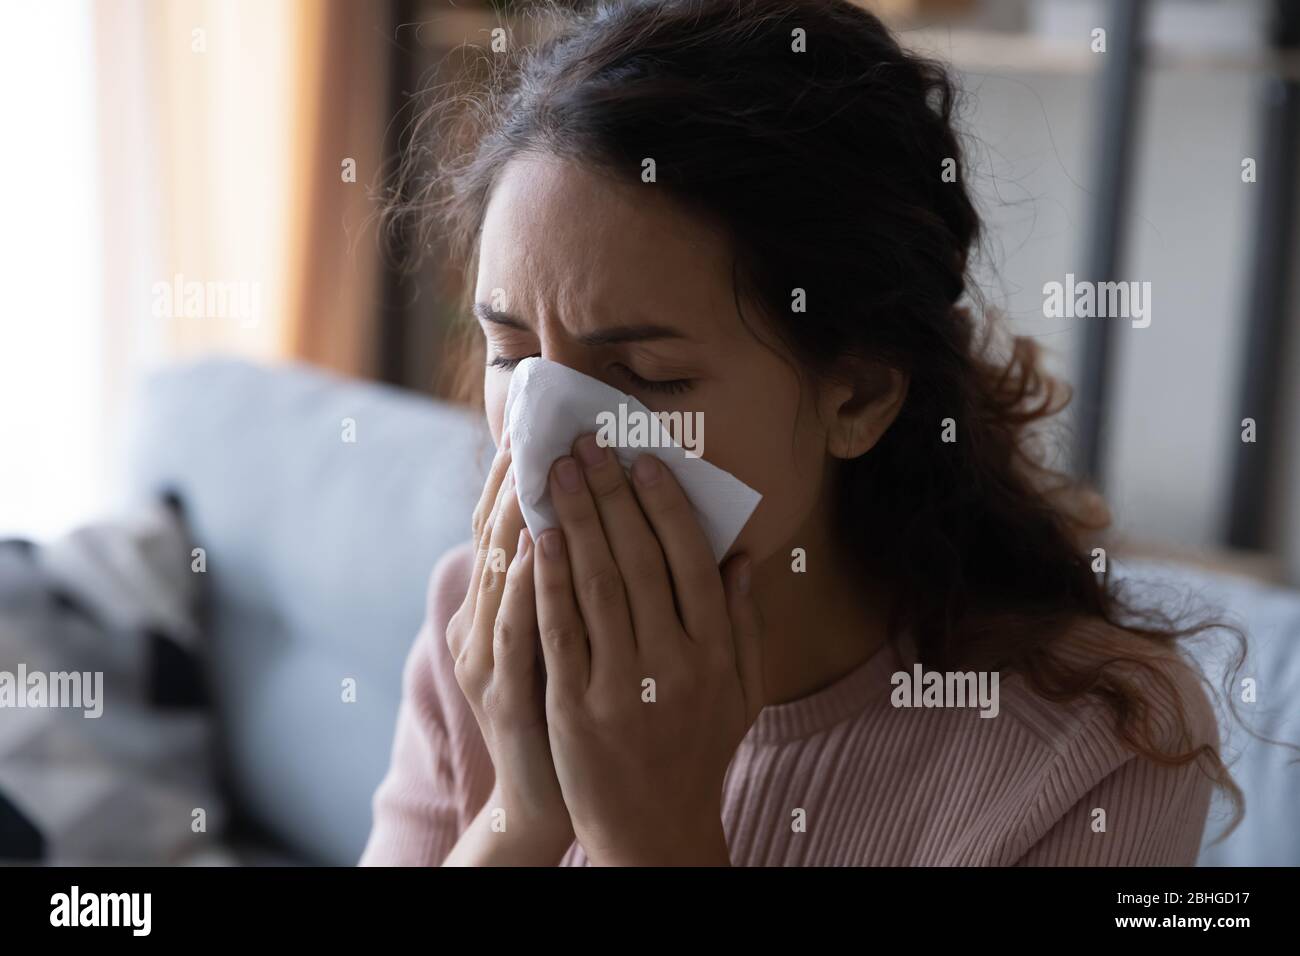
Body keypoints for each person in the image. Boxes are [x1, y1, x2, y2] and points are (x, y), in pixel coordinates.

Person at [359, 0, 1238, 866]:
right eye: (511, 352)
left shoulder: (1096, 747)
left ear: (856, 396)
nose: (546, 442)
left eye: (646, 378)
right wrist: (521, 814)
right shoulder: (477, 627)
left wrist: (652, 841)